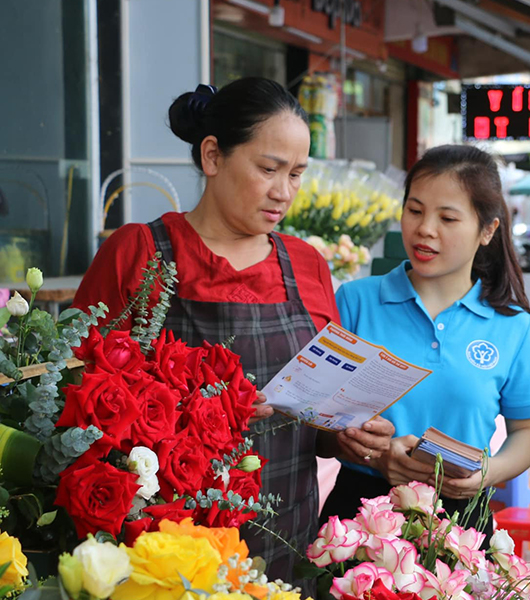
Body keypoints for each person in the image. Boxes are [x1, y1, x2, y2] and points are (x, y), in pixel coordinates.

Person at [72, 77, 393, 590]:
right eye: (268, 169)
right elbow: (79, 402)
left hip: (284, 535)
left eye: (296, 174)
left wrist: (347, 435)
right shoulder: (139, 253)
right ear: (213, 155)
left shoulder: (307, 265)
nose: (283, 191)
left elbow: (317, 416)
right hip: (167, 546)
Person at [320, 145, 530, 537]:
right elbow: (318, 430)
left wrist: (485, 474)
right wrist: (375, 456)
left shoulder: (513, 325)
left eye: (447, 217)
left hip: (462, 520)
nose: (425, 228)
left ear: (488, 230)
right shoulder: (354, 301)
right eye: (415, 210)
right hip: (360, 516)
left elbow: (528, 432)